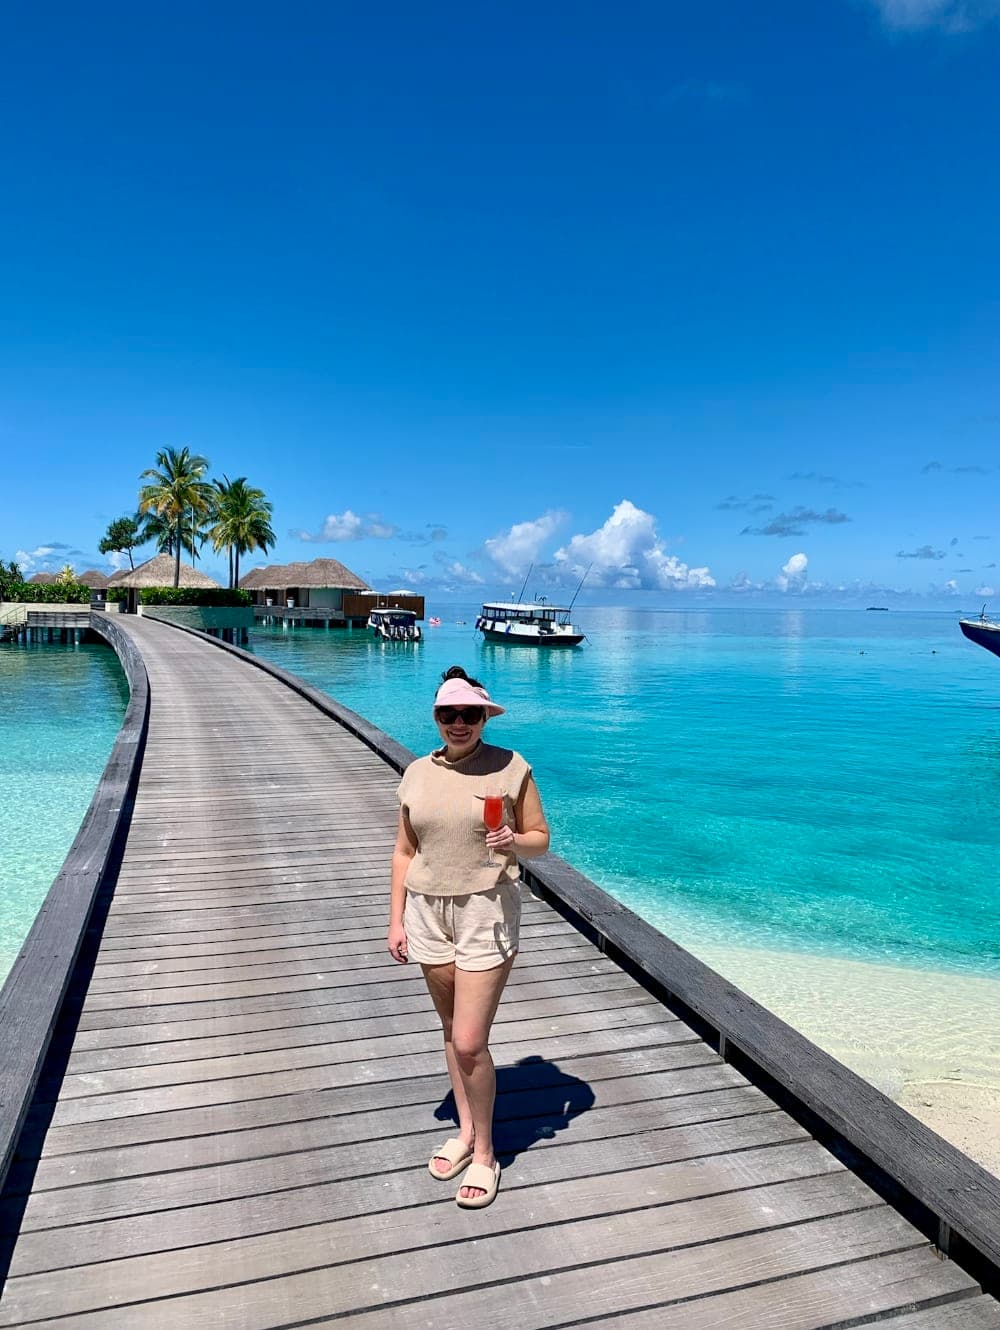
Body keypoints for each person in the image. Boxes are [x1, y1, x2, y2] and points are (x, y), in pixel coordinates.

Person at [388, 665, 550, 1208]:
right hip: (427, 911)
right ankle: (465, 1132)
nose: (459, 723)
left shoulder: (510, 768)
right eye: (448, 714)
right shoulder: (415, 773)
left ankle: (486, 1155)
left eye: (469, 714)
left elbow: (540, 840)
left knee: (469, 1041)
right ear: (436, 717)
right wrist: (395, 919)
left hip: (486, 910)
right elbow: (405, 852)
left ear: (484, 717)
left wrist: (513, 840)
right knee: (451, 1029)